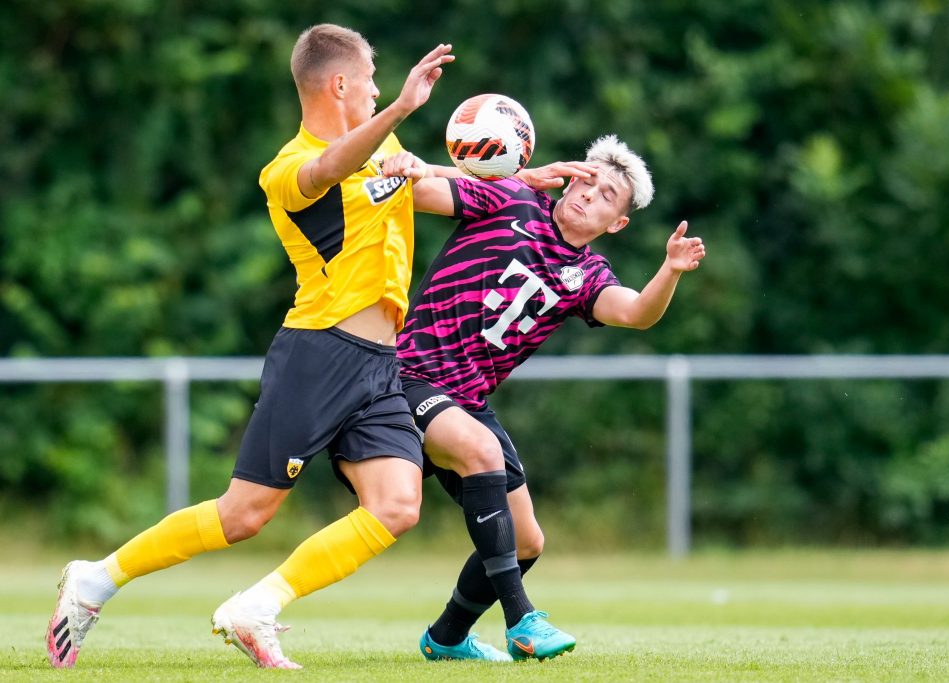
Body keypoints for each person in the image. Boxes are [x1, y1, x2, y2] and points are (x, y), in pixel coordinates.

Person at [46, 24, 455, 670]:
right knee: (243, 515)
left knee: (398, 504)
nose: (381, 93)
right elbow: (329, 168)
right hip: (318, 355)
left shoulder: (383, 146)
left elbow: (437, 188)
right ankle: (95, 577)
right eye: (374, 82)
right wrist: (402, 111)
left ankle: (257, 606)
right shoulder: (287, 169)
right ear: (340, 84)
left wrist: (514, 178)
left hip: (379, 365)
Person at [383, 134, 706, 662]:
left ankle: (445, 638)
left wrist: (668, 270)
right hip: (412, 374)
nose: (587, 195)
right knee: (480, 455)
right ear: (568, 177)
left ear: (616, 224)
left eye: (606, 196)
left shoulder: (587, 275)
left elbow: (636, 313)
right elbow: (416, 193)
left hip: (468, 399)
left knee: (528, 541)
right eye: (586, 180)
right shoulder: (512, 198)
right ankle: (522, 620)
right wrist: (423, 168)